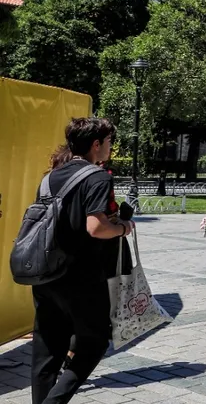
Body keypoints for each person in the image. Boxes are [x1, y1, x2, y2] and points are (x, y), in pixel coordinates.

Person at [30, 118, 132, 404]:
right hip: (82, 277)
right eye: (109, 142)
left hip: (46, 271)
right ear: (96, 144)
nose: (111, 148)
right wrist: (123, 228)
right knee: (95, 341)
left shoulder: (51, 176)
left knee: (47, 348)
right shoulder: (97, 177)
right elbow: (95, 227)